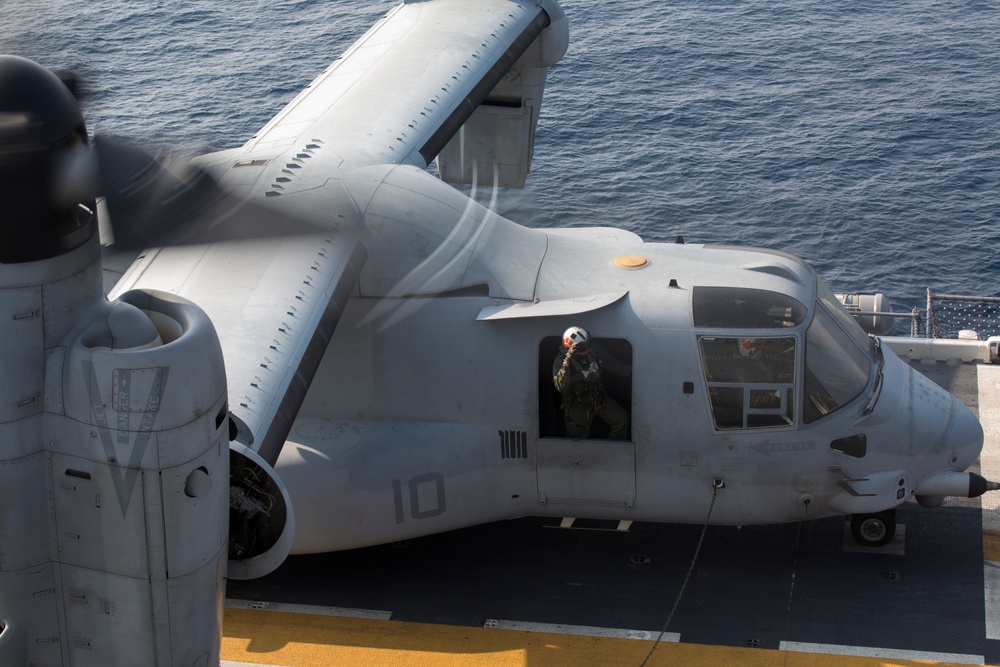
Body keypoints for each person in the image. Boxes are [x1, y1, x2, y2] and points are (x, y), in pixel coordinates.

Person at [552, 326, 630, 440]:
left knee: (622, 421)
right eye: (584, 347)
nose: (588, 349)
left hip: (597, 397)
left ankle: (613, 452)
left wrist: (628, 371)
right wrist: (566, 364)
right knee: (577, 439)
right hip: (578, 405)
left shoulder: (590, 349)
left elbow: (609, 362)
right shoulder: (560, 362)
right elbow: (561, 387)